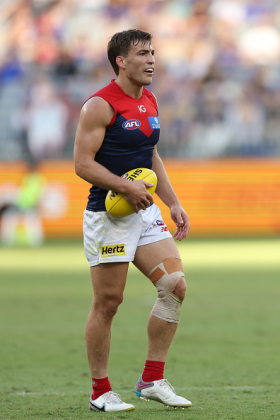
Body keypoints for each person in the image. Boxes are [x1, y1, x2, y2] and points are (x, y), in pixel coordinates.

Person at [74, 29, 191, 413]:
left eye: (153, 52)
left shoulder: (151, 99)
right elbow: (82, 164)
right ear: (121, 61)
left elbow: (150, 153)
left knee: (174, 286)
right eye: (143, 53)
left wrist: (171, 202)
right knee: (109, 302)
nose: (152, 59)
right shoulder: (100, 105)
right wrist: (125, 186)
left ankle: (152, 379)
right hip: (108, 216)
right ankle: (99, 391)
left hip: (144, 211)